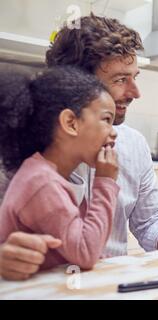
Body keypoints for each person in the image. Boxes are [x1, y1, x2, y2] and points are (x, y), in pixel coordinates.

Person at [0, 14, 158, 281]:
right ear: (77, 84)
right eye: (121, 79)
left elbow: (148, 221)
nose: (136, 92)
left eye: (135, 77)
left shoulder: (133, 145)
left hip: (110, 287)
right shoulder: (18, 146)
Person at [0, 66, 119, 270]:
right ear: (71, 123)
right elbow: (85, 252)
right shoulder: (41, 182)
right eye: (106, 120)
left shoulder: (47, 175)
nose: (114, 132)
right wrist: (105, 183)